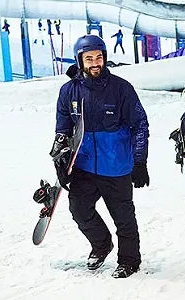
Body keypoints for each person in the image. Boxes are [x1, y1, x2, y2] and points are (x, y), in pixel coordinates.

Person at [50, 35, 149, 278]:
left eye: (99, 57)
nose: (95, 63)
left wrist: (140, 161)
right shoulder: (68, 91)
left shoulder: (121, 88)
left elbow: (140, 125)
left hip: (116, 166)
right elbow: (62, 130)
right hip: (83, 165)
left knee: (123, 218)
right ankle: (101, 244)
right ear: (80, 60)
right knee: (79, 209)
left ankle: (129, 260)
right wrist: (60, 158)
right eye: (89, 59)